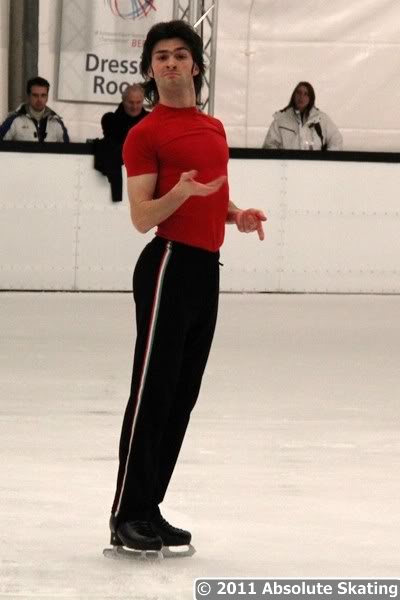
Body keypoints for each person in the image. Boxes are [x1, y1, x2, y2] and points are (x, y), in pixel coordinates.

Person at [108, 19, 267, 555]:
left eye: (180, 54)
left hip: (205, 268)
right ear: (151, 71)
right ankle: (126, 514)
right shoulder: (144, 134)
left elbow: (212, 194)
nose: (171, 63)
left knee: (181, 395)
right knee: (152, 391)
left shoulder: (213, 127)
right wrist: (178, 194)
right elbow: (141, 216)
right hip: (168, 265)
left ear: (195, 66)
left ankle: (149, 506)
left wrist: (236, 214)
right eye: (161, 57)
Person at [94, 84, 149, 202]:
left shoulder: (151, 119)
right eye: (131, 102)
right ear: (123, 101)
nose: (135, 106)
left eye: (138, 102)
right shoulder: (110, 119)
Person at [263, 81, 342, 151]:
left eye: (306, 94)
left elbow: (336, 140)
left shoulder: (321, 119)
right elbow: (269, 146)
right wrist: (281, 160)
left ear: (311, 98)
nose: (301, 97)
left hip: (314, 163)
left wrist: (326, 159)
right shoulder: (281, 120)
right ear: (294, 95)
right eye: (299, 93)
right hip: (288, 163)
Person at [0, 76, 69, 142]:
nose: (39, 99)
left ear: (47, 97)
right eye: (35, 95)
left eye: (43, 95)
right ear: (28, 96)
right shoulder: (14, 121)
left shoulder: (56, 123)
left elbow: (67, 149)